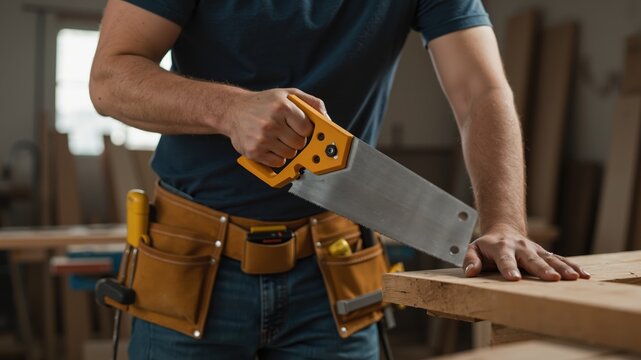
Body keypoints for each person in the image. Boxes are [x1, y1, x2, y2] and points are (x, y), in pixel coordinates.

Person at [90, 1, 590, 358]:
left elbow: (481, 90)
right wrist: (229, 109)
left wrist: (503, 221)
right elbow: (110, 78)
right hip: (190, 264)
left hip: (334, 268)